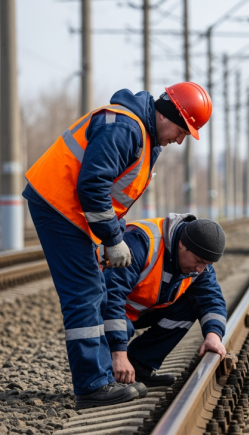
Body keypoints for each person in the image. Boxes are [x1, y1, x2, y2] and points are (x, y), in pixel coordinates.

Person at [23, 82, 212, 409]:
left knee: (92, 289)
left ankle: (99, 378)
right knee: (84, 292)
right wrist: (112, 240)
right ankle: (92, 386)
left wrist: (113, 233)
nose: (180, 139)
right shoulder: (126, 128)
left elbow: (111, 196)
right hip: (58, 205)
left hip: (73, 212)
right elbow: (92, 186)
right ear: (168, 115)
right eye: (182, 130)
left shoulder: (143, 135)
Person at [102, 214, 227, 387]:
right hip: (104, 310)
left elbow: (211, 299)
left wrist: (213, 336)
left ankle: (140, 365)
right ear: (183, 244)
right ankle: (103, 377)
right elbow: (111, 296)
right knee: (121, 329)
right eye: (198, 261)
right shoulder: (141, 243)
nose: (200, 270)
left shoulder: (200, 260)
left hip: (138, 310)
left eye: (206, 264)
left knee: (190, 306)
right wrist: (119, 355)